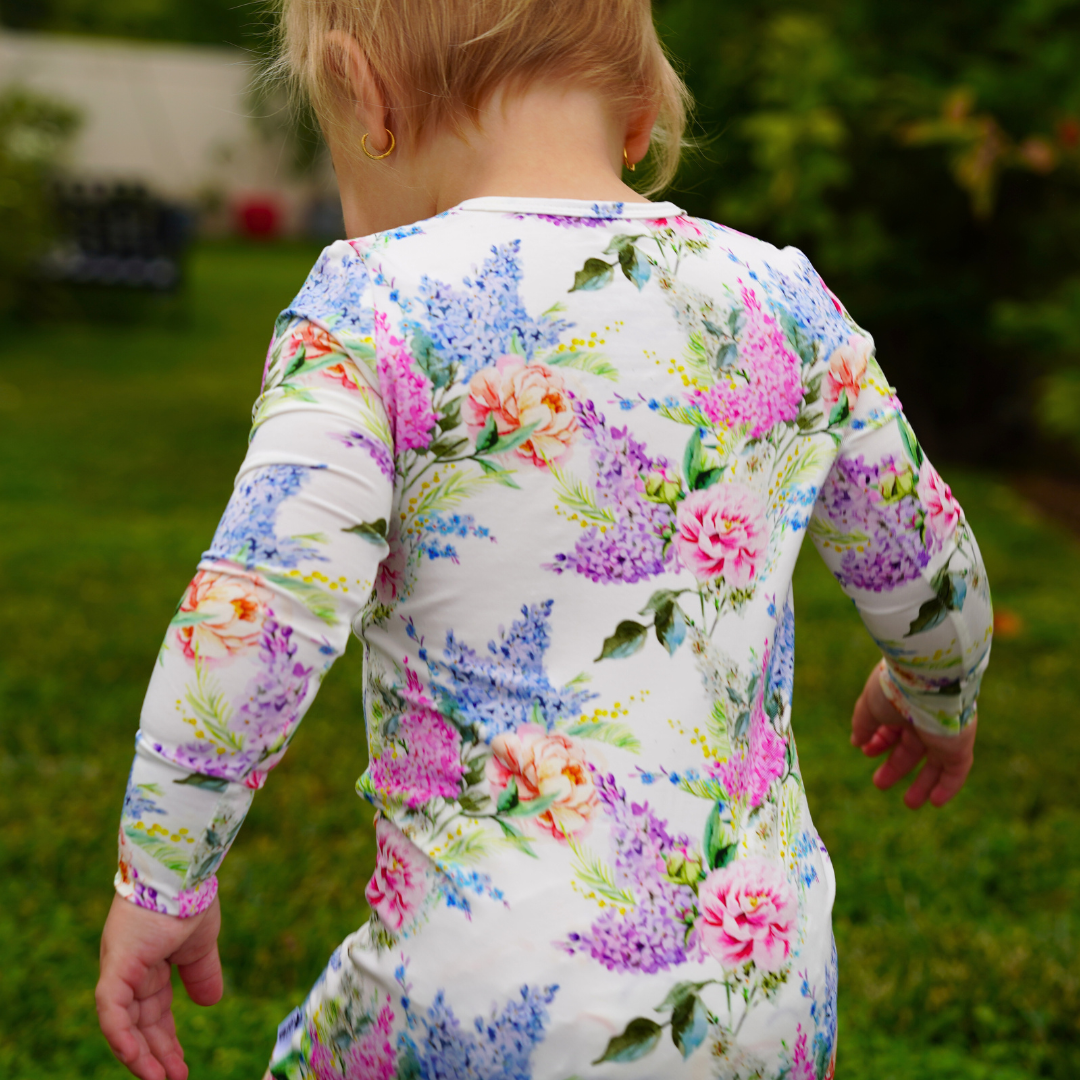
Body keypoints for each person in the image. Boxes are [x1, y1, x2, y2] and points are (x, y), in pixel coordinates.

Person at [94, 2, 992, 1078]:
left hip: (475, 996)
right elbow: (928, 563)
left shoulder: (370, 309)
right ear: (641, 112)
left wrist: (164, 879)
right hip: (764, 996)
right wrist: (934, 695)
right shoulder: (782, 300)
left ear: (364, 94)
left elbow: (254, 616)